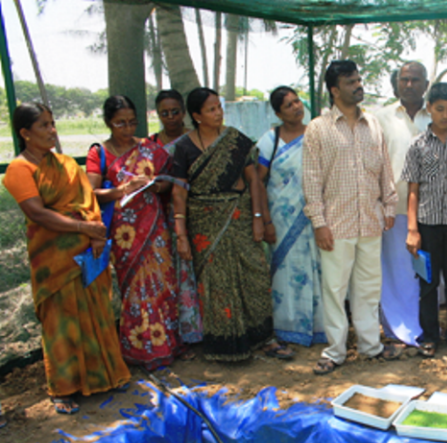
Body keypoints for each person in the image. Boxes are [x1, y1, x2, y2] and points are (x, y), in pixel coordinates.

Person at [4, 103, 131, 414]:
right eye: (44, 126)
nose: (52, 131)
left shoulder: (66, 164)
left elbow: (87, 200)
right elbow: (37, 212)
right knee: (61, 322)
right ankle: (63, 388)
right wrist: (83, 227)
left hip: (88, 253)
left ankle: (105, 376)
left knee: (96, 313)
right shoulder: (19, 169)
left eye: (53, 123)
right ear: (25, 133)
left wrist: (95, 233)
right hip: (54, 260)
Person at [170, 87, 294, 362]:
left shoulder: (237, 141)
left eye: (219, 107)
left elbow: (254, 181)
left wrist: (259, 219)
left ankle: (264, 338)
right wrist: (181, 235)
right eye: (211, 109)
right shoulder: (184, 148)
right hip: (204, 223)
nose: (218, 114)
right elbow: (179, 193)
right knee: (216, 282)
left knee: (254, 275)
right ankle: (227, 344)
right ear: (197, 116)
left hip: (239, 217)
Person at [303, 60, 402, 375]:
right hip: (336, 224)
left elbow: (384, 167)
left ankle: (371, 346)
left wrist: (389, 205)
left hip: (370, 220)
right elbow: (311, 179)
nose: (359, 86)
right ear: (335, 90)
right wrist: (319, 222)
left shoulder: (372, 123)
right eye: (351, 82)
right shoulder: (318, 128)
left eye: (359, 80)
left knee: (369, 286)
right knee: (335, 288)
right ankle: (335, 351)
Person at [86, 95, 184, 370]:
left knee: (161, 284)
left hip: (155, 228)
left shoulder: (149, 148)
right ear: (108, 123)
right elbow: (89, 192)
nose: (128, 129)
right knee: (135, 289)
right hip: (124, 232)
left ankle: (168, 344)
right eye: (120, 124)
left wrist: (153, 185)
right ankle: (138, 349)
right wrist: (120, 191)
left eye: (132, 123)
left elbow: (169, 184)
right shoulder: (100, 153)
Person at [256, 86, 325, 347]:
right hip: (282, 220)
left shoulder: (317, 135)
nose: (296, 107)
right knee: (285, 271)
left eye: (297, 102)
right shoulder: (269, 140)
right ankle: (288, 327)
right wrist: (265, 221)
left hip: (315, 218)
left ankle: (319, 327)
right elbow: (259, 182)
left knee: (317, 270)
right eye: (289, 105)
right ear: (277, 113)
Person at [402, 82, 447, 358]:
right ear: (429, 109)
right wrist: (412, 229)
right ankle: (429, 335)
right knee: (427, 283)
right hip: (426, 224)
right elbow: (412, 191)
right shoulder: (417, 145)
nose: (445, 116)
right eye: (439, 109)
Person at [375, 61, 432, 346]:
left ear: (426, 84)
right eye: (404, 80)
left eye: (415, 80)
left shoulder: (435, 114)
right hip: (394, 208)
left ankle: (425, 326)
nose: (409, 85)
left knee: (423, 271)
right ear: (397, 83)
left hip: (432, 210)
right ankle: (398, 328)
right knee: (397, 270)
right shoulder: (381, 118)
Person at [150, 89, 203, 346]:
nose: (170, 117)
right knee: (176, 271)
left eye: (175, 112)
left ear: (184, 112)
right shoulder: (150, 145)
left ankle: (208, 326)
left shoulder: (197, 140)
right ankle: (181, 331)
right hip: (165, 216)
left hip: (199, 212)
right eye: (164, 113)